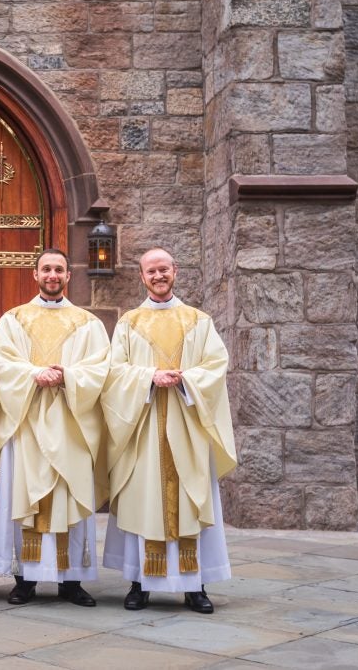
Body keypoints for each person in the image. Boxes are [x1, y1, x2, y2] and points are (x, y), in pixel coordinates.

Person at [101, 248, 237, 614]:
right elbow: (114, 372)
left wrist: (185, 380)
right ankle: (139, 583)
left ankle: (195, 586)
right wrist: (149, 377)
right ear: (142, 277)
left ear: (175, 271)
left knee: (192, 500)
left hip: (187, 427)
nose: (158, 276)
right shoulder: (129, 322)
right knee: (143, 499)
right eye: (151, 271)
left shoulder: (198, 321)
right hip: (143, 427)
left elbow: (216, 365)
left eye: (164, 269)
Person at [0, 249, 110, 606]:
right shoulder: (14, 319)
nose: (53, 275)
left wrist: (67, 375)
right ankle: (25, 579)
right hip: (27, 420)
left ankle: (70, 581)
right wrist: (33, 373)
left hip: (71, 423)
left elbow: (101, 366)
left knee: (69, 494)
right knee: (25, 496)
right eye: (46, 269)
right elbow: (2, 362)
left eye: (59, 269)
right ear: (35, 274)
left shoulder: (87, 323)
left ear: (68, 276)